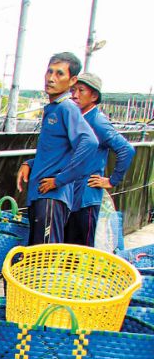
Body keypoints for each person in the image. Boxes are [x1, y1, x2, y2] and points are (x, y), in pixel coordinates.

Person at [15, 52, 98, 246]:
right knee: (37, 256)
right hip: (40, 195)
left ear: (72, 80)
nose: (51, 78)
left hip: (52, 198)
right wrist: (30, 163)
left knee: (46, 259)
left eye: (59, 74)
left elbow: (90, 142)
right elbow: (56, 151)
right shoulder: (53, 108)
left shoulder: (66, 107)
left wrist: (60, 179)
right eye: (49, 72)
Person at [67, 72, 136, 247]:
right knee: (67, 247)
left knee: (83, 249)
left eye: (81, 90)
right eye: (73, 90)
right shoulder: (77, 118)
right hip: (71, 194)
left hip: (86, 196)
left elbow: (126, 150)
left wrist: (112, 181)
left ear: (94, 96)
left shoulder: (97, 121)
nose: (75, 95)